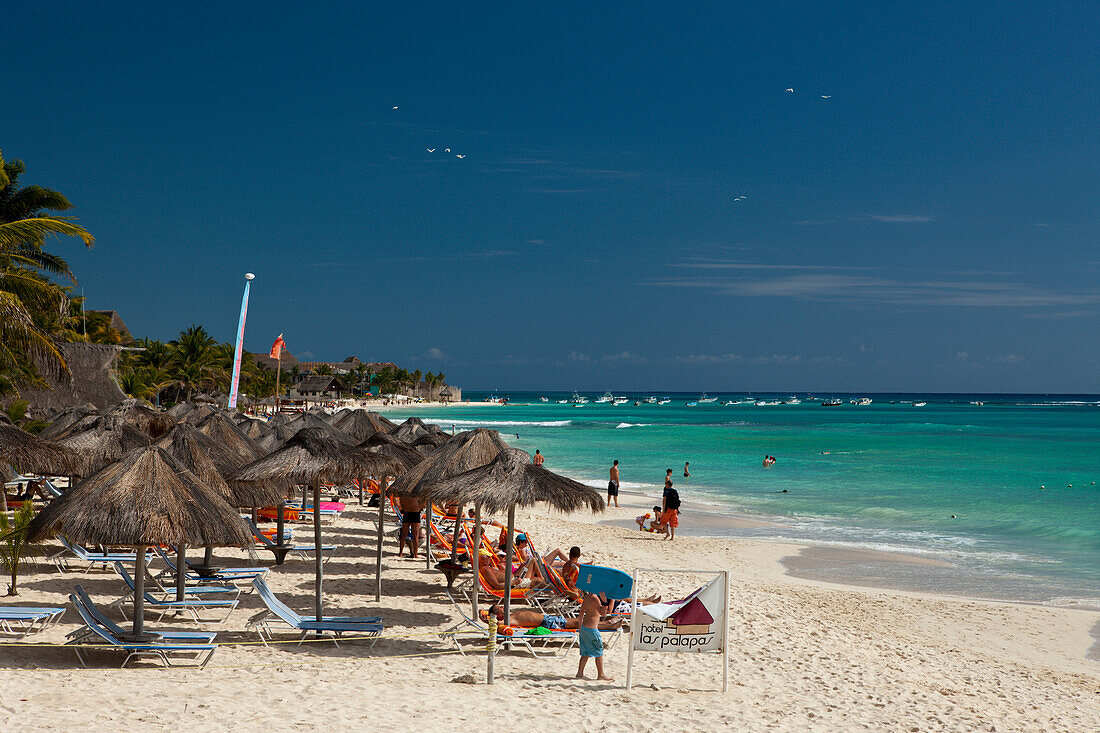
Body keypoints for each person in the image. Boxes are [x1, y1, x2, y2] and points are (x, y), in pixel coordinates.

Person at [486, 600, 624, 631]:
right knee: (577, 624)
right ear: (497, 615)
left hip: (547, 619)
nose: (503, 608)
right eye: (500, 609)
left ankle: (608, 623)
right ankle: (609, 624)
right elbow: (496, 624)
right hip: (547, 623)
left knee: (577, 621)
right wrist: (487, 619)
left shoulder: (509, 615)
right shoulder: (508, 619)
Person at [576, 592, 614, 681]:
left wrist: (580, 625)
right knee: (599, 652)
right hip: (592, 629)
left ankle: (580, 673)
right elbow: (603, 613)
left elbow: (581, 611)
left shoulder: (587, 597)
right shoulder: (595, 598)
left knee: (585, 652)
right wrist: (605, 602)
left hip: (584, 628)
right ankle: (601, 674)